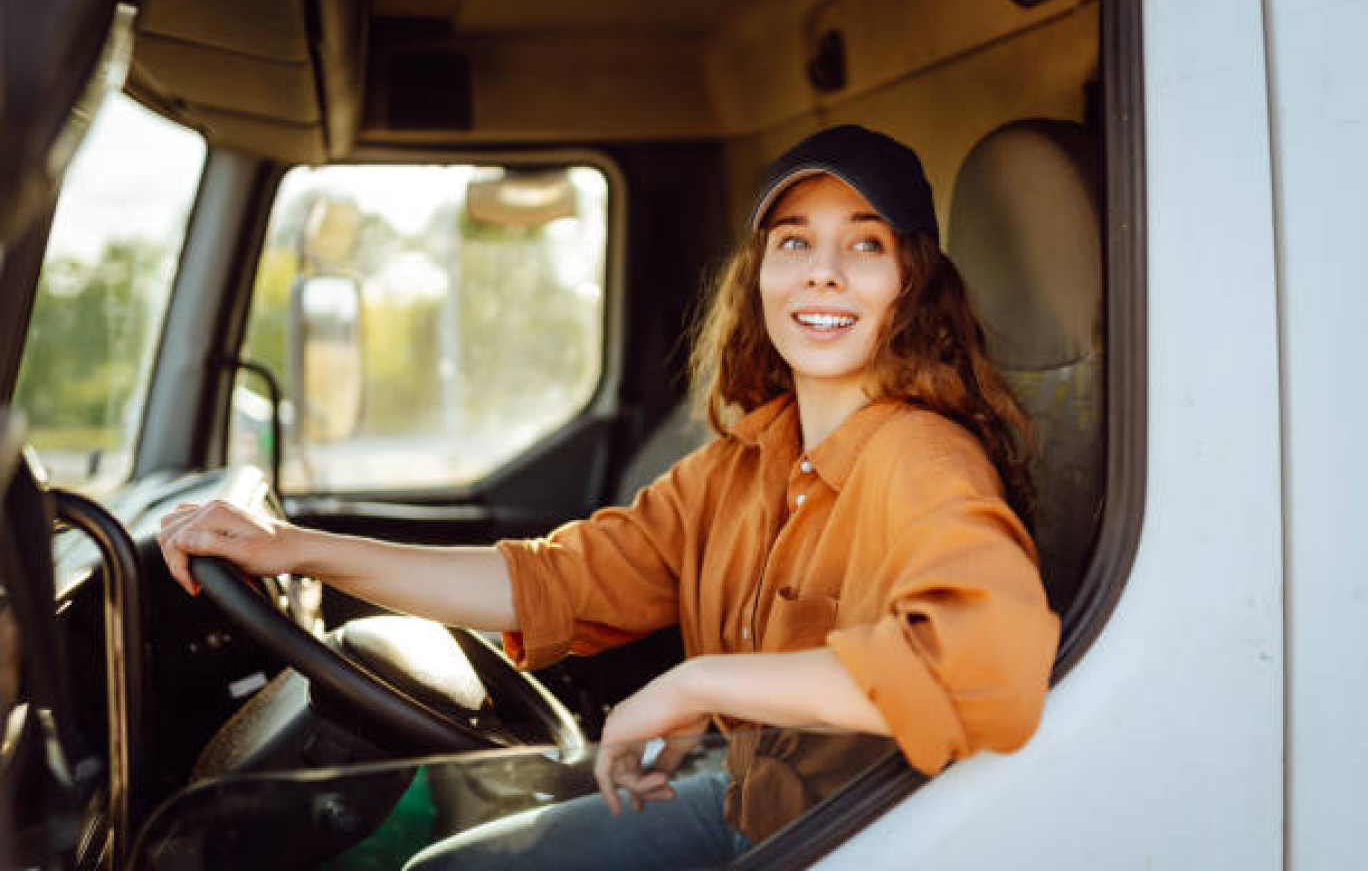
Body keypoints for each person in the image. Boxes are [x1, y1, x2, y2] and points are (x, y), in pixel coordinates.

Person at [158, 124, 1060, 870]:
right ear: (761, 276)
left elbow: (987, 671)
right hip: (750, 803)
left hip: (854, 839)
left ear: (912, 283)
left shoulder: (922, 458)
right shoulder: (745, 460)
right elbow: (549, 583)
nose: (823, 273)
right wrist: (294, 547)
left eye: (866, 244)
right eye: (795, 242)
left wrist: (699, 682)